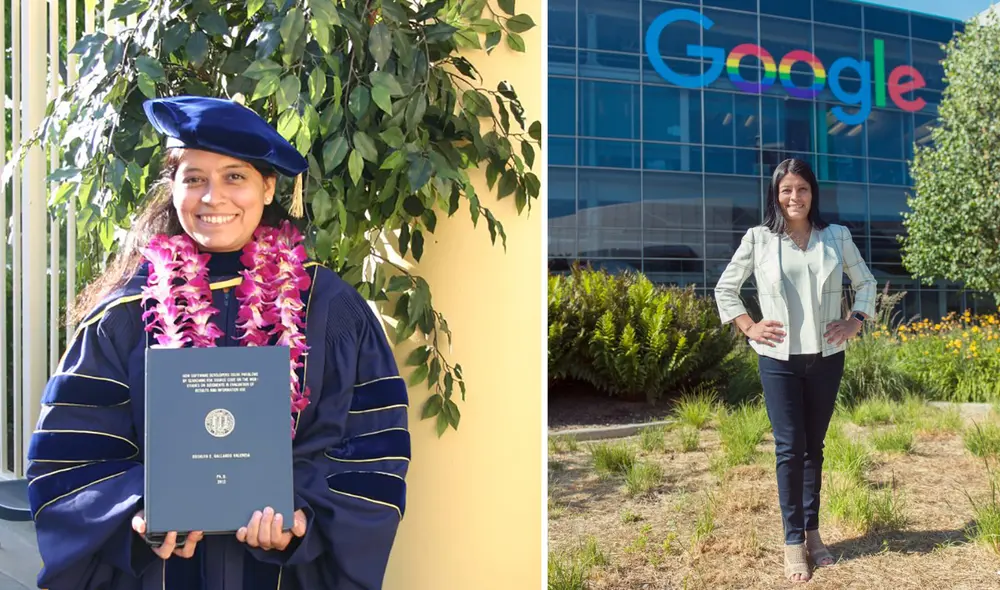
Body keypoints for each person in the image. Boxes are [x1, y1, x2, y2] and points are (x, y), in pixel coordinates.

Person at [26, 96, 410, 590]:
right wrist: (142, 511)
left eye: (235, 177)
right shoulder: (126, 314)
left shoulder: (330, 310)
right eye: (194, 179)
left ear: (268, 187)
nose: (213, 198)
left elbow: (372, 450)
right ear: (173, 187)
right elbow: (71, 457)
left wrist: (302, 515)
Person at [714, 158, 876, 583]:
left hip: (826, 358)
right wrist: (749, 325)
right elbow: (725, 288)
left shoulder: (836, 237)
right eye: (786, 190)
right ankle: (792, 543)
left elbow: (866, 283)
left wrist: (855, 321)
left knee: (814, 448)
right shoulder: (759, 239)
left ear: (812, 192)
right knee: (789, 450)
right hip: (778, 361)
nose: (794, 197)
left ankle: (814, 534)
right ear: (776, 194)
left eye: (802, 189)